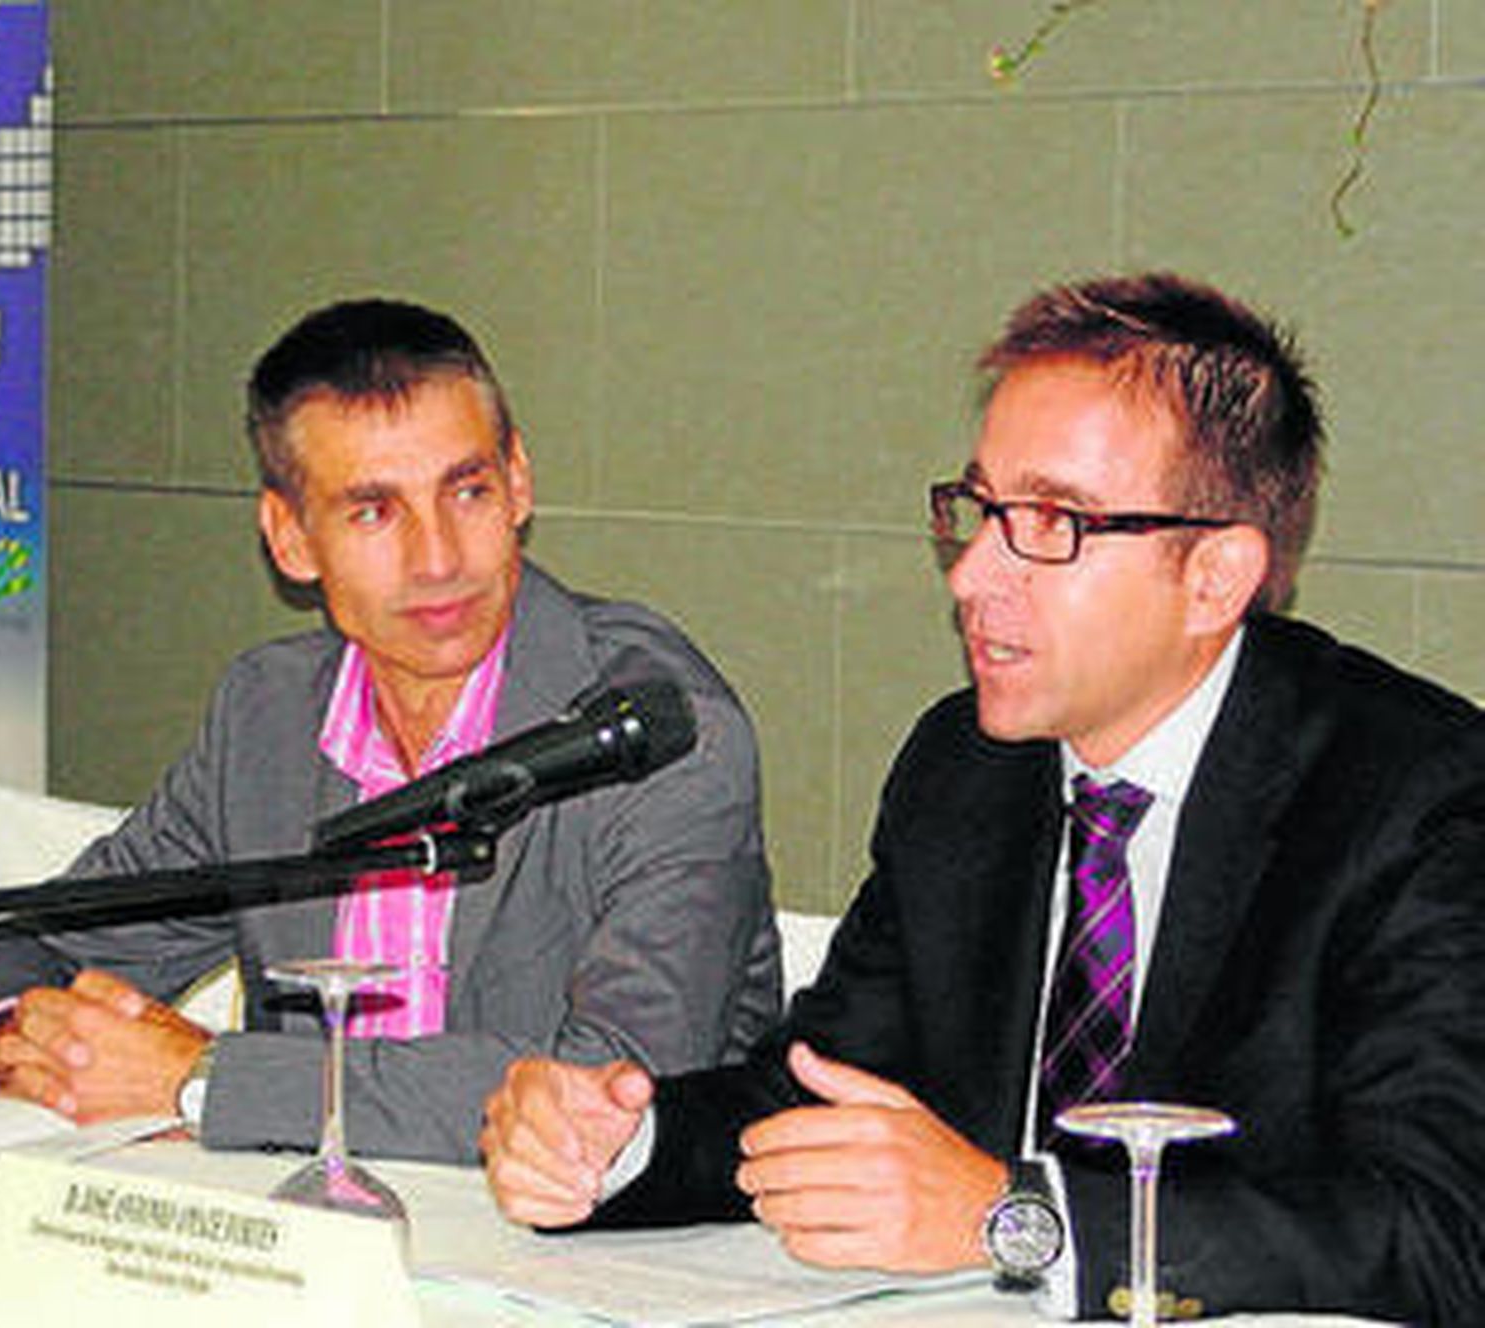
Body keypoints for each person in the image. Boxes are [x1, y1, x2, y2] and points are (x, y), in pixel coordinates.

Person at [479, 272, 1485, 1323]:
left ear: (1215, 576)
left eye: (1052, 520)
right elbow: (820, 1090)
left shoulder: (1415, 801)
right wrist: (618, 1139)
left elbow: (1440, 1232)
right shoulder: (964, 771)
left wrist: (1015, 1216)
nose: (970, 575)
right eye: (981, 509)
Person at [0, 298, 781, 1162]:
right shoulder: (267, 716)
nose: (439, 558)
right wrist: (28, 1042)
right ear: (291, 539)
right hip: (309, 1245)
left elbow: (615, 1094)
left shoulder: (654, 730)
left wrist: (204, 1079)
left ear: (519, 482)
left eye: (468, 490)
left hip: (582, 1261)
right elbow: (25, 947)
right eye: (375, 512)